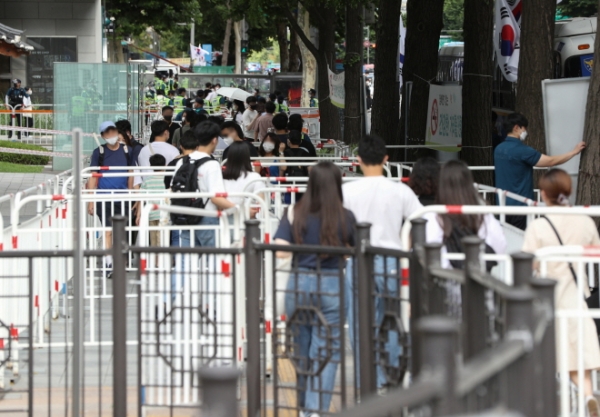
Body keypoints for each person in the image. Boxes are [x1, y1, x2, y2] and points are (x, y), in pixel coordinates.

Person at [274, 161, 356, 415]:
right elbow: (355, 250)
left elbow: (279, 249)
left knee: (301, 352)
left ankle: (302, 406)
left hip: (299, 283)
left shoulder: (294, 211)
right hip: (332, 283)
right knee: (326, 354)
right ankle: (313, 411)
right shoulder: (346, 216)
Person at [343, 135, 423, 389]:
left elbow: (337, 225)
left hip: (358, 259)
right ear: (386, 159)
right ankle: (392, 377)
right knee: (392, 319)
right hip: (392, 260)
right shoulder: (400, 190)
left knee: (360, 319)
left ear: (358, 161)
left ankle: (366, 378)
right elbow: (422, 220)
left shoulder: (347, 190)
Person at [522, 169, 600, 417]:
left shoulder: (539, 226)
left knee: (560, 356)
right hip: (578, 297)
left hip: (549, 298)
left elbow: (528, 263)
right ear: (568, 192)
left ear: (544, 194)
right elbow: (595, 250)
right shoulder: (585, 221)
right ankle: (588, 395)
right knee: (580, 356)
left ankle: (574, 400)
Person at [494, 112, 585, 230]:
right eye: (524, 128)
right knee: (522, 240)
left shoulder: (498, 149)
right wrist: (573, 152)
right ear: (516, 127)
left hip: (501, 205)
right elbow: (550, 161)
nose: (525, 132)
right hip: (521, 207)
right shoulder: (522, 150)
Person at [424, 160, 506, 269]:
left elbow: (426, 254)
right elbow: (500, 246)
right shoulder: (482, 215)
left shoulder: (433, 216)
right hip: (478, 280)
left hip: (444, 281)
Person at [175, 121, 235, 248]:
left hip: (185, 214)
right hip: (207, 215)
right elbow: (216, 197)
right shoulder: (212, 164)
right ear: (214, 140)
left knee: (186, 260)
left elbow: (173, 188)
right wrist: (238, 208)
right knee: (213, 258)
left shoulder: (182, 161)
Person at [88, 121, 133, 274]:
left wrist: (131, 193)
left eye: (112, 131)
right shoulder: (98, 152)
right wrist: (91, 200)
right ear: (102, 136)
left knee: (121, 231)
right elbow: (93, 176)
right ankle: (109, 264)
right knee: (108, 230)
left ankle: (121, 261)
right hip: (104, 197)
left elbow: (131, 173)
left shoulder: (127, 151)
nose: (110, 135)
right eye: (107, 133)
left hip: (123, 198)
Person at [135, 121, 180, 187]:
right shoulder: (173, 150)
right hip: (166, 189)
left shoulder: (144, 150)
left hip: (147, 188)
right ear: (166, 132)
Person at [136, 154, 167, 248]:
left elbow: (141, 199)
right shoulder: (168, 179)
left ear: (150, 166)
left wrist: (138, 215)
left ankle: (155, 260)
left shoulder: (147, 181)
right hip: (165, 214)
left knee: (153, 240)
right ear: (165, 165)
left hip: (151, 214)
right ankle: (161, 261)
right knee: (162, 240)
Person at [223, 142, 265, 206]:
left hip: (225, 213)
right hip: (248, 213)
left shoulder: (221, 177)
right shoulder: (254, 177)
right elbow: (261, 202)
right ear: (247, 157)